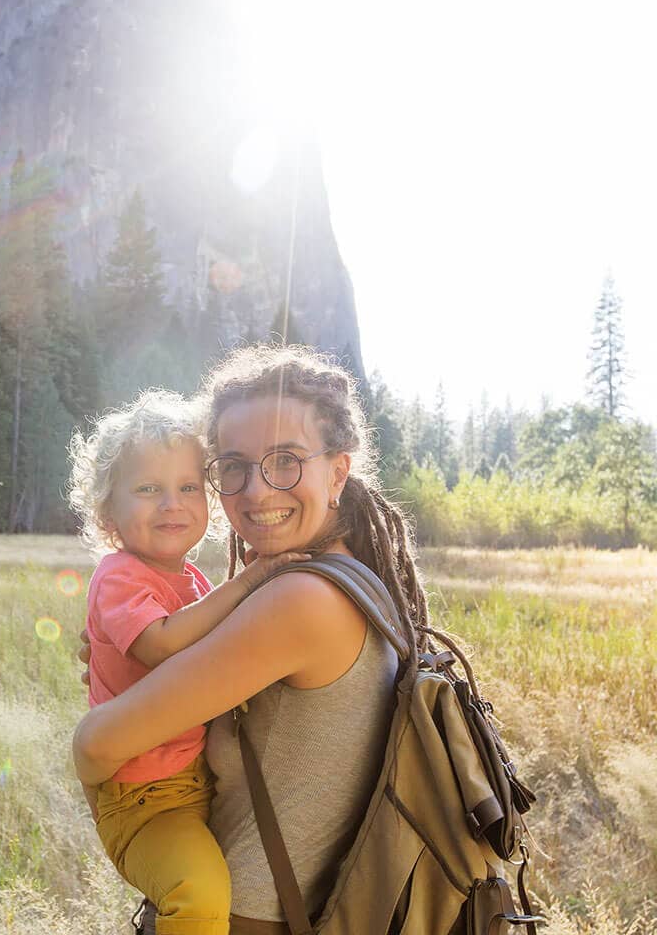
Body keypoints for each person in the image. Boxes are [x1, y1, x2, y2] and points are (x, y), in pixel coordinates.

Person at [73, 345, 432, 933]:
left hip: (248, 915)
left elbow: (95, 745)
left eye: (286, 460)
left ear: (338, 471)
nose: (258, 491)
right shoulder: (352, 575)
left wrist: (120, 820)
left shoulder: (298, 601)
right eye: (235, 466)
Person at [67, 389, 309, 935]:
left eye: (187, 487)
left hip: (191, 783)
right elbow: (162, 643)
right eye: (149, 489)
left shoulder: (192, 580)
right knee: (196, 897)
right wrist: (249, 581)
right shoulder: (120, 574)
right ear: (109, 514)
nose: (171, 503)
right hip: (144, 797)